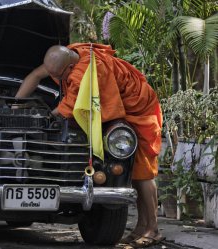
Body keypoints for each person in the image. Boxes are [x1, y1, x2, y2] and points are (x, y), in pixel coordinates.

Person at [15, 43, 164, 248]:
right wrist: (16, 104)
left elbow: (69, 108)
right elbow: (35, 75)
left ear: (68, 68)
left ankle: (153, 229)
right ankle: (141, 227)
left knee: (144, 173)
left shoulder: (90, 72)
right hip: (129, 106)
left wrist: (44, 118)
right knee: (135, 173)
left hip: (141, 108)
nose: (56, 80)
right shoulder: (68, 56)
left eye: (58, 77)